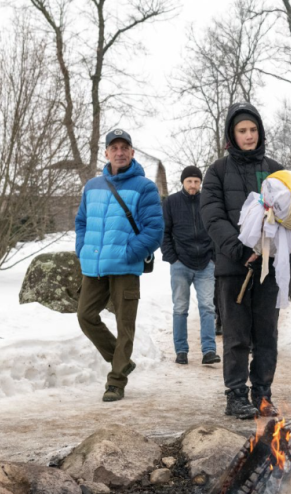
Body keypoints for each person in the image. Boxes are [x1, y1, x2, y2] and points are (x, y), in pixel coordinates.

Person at [201, 102, 284, 419]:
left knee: (267, 335)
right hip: (233, 267)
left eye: (253, 130)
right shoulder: (217, 171)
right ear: (231, 135)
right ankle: (236, 395)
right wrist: (240, 249)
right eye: (242, 130)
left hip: (268, 267)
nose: (249, 136)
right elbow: (212, 216)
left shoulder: (275, 170)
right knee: (236, 336)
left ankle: (262, 392)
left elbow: (289, 211)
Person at [75, 129, 164, 402]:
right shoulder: (92, 186)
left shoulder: (145, 187)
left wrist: (129, 253)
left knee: (125, 325)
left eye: (125, 147)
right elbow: (81, 222)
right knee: (85, 316)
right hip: (95, 267)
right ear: (106, 153)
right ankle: (120, 359)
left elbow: (154, 230)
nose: (120, 152)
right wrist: (82, 250)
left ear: (132, 152)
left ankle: (116, 381)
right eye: (114, 148)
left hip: (125, 267)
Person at [161, 165, 221, 365]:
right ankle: (181, 350)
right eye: (189, 181)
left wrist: (213, 256)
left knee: (208, 307)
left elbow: (215, 228)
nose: (193, 185)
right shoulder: (171, 202)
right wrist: (172, 257)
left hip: (206, 263)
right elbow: (165, 232)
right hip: (180, 264)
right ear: (183, 182)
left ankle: (209, 350)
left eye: (196, 181)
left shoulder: (208, 201)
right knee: (180, 308)